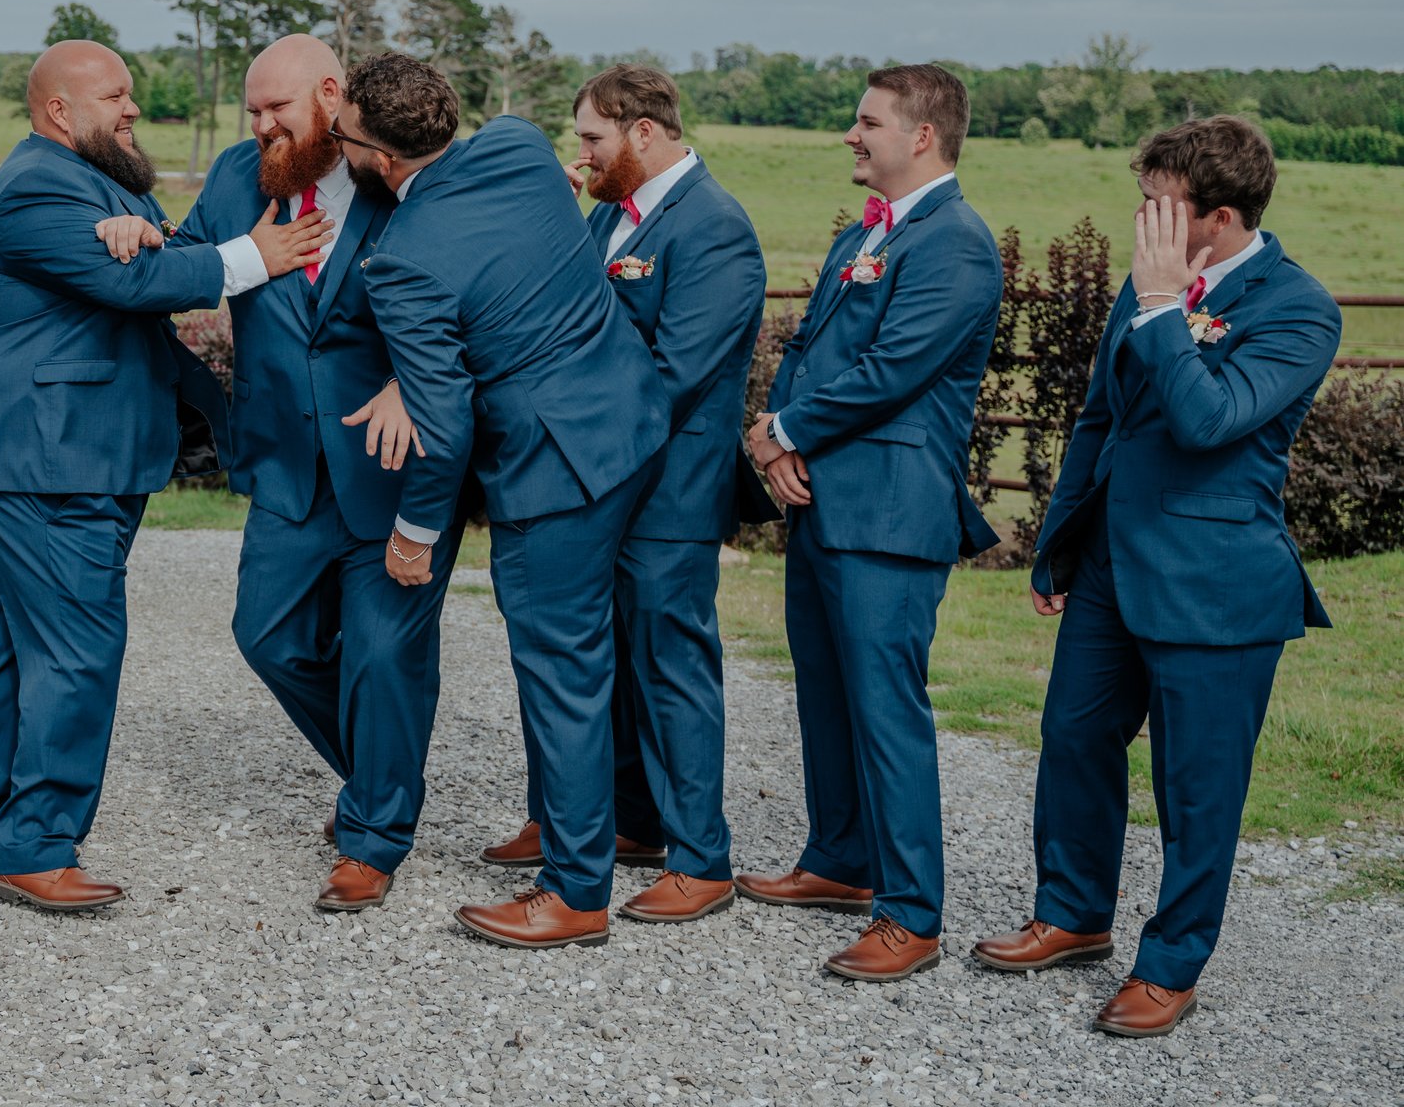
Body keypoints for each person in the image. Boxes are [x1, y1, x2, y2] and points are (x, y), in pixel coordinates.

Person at [0, 40, 326, 911]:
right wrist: (262, 254)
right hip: (48, 458)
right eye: (116, 95)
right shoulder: (37, 183)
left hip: (69, 455)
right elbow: (144, 281)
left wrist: (141, 226)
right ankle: (34, 846)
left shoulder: (105, 181)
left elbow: (144, 253)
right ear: (60, 111)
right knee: (79, 647)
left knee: (12, 639)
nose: (134, 108)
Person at [974, 116, 1339, 1037]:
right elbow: (1101, 419)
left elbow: (1209, 419)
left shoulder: (1299, 309)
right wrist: (1058, 543)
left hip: (1217, 583)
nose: (1141, 216)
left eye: (1158, 203)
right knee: (1072, 741)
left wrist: (1167, 308)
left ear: (1215, 217)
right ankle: (1072, 913)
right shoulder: (1145, 288)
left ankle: (1171, 962)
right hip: (1108, 569)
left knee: (1197, 785)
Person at [99, 34, 449, 912]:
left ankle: (373, 835)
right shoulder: (235, 173)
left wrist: (416, 381)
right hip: (285, 467)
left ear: (332, 96)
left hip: (387, 466)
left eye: (275, 110)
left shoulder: (402, 177)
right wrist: (144, 232)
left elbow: (464, 293)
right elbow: (191, 263)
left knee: (381, 654)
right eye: (251, 111)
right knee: (268, 638)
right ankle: (385, 772)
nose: (258, 126)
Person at [348, 54, 672, 950]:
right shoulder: (526, 150)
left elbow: (442, 426)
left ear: (380, 157)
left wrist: (415, 533)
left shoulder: (401, 261)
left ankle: (575, 891)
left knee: (563, 672)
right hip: (635, 423)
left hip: (552, 471)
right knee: (601, 655)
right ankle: (602, 826)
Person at [477, 65, 777, 923]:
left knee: (672, 667)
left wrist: (558, 419)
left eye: (592, 140)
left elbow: (674, 375)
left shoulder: (714, 227)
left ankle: (702, 859)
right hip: (599, 482)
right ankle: (609, 823)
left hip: (669, 494)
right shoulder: (609, 213)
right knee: (596, 662)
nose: (583, 154)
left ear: (642, 131)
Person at [741, 63, 1003, 982]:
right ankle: (841, 860)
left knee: (889, 710)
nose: (852, 136)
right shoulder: (869, 230)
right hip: (822, 502)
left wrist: (784, 429)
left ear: (920, 135)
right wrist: (776, 442)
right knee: (824, 692)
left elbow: (895, 367)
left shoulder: (956, 243)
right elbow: (811, 346)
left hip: (890, 514)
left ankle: (911, 912)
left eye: (867, 122)